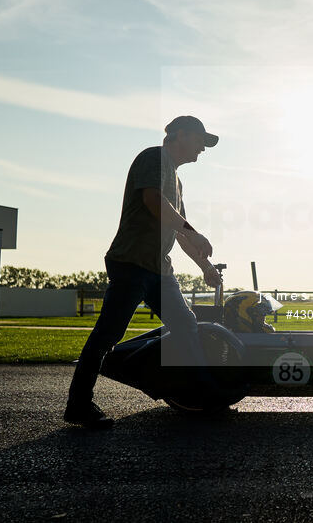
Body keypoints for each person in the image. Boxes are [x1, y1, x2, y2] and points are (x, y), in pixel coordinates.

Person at [64, 115, 223, 429]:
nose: (203, 149)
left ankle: (202, 395)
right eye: (200, 141)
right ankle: (78, 404)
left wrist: (205, 267)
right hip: (132, 263)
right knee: (108, 334)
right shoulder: (154, 158)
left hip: (159, 269)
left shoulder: (177, 180)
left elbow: (179, 233)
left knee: (186, 326)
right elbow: (152, 200)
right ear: (179, 135)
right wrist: (193, 230)